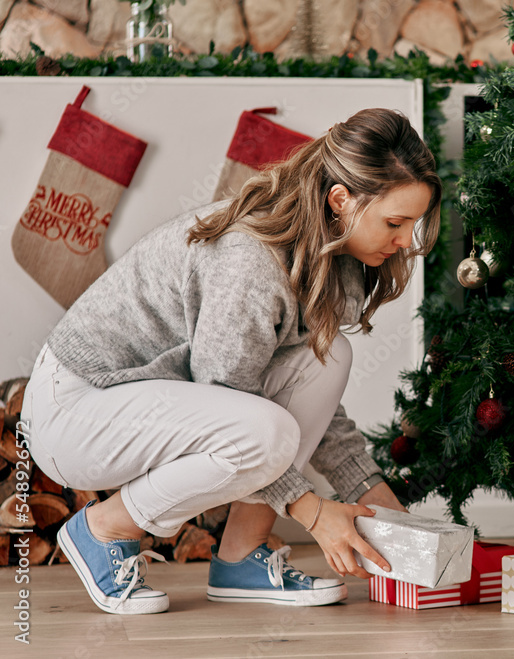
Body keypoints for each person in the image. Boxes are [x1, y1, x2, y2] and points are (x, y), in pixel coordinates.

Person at [20, 108, 441, 615]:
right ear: (340, 200)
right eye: (395, 223)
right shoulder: (252, 261)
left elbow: (294, 403)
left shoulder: (324, 258)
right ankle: (103, 528)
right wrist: (313, 513)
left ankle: (242, 554)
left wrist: (380, 502)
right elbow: (235, 414)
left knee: (328, 359)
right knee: (264, 431)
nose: (403, 243)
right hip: (74, 410)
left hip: (140, 405)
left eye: (411, 225)